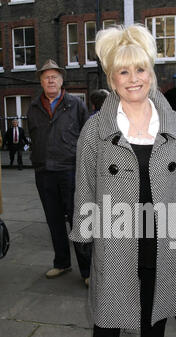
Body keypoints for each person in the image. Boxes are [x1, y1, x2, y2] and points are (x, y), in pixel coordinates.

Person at [70, 24, 176, 337]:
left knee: (156, 319)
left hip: (162, 240)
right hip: (116, 240)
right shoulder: (97, 128)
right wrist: (84, 234)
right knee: (108, 325)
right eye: (123, 72)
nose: (134, 80)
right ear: (112, 78)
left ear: (152, 73)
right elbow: (85, 185)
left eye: (140, 70)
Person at [27, 59, 92, 283]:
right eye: (46, 77)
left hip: (70, 170)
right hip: (44, 172)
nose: (51, 80)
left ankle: (87, 271)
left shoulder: (76, 104)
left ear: (62, 81)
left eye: (55, 76)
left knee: (78, 221)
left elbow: (87, 137)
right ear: (41, 82)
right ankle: (61, 263)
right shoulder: (34, 107)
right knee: (53, 220)